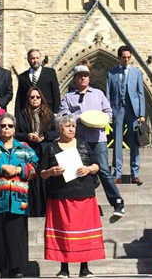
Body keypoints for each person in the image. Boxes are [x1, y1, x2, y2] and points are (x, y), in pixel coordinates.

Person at [40, 113, 104, 278]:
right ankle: (64, 269)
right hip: (60, 196)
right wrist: (51, 172)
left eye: (73, 126)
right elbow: (41, 173)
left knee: (83, 233)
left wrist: (89, 169)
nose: (71, 129)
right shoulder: (50, 148)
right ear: (59, 129)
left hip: (83, 195)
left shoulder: (83, 144)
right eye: (67, 126)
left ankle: (84, 268)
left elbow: (97, 165)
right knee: (64, 233)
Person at [59, 64, 125, 217]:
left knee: (103, 170)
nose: (83, 78)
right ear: (74, 79)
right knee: (76, 170)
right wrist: (79, 119)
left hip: (98, 138)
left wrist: (100, 119)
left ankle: (117, 202)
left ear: (89, 78)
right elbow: (63, 115)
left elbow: (108, 112)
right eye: (80, 75)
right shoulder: (68, 97)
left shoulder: (98, 94)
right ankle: (75, 204)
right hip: (77, 139)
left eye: (86, 75)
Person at [0, 113, 38, 279]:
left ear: (14, 128)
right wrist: (2, 167)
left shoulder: (25, 148)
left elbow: (34, 168)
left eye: (10, 126)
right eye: (3, 126)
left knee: (16, 235)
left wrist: (20, 170)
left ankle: (16, 268)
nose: (6, 128)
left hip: (18, 199)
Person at [15, 86, 59, 217]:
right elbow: (16, 133)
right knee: (32, 180)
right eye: (32, 97)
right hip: (28, 151)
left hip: (44, 150)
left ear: (41, 99)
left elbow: (55, 132)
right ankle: (33, 209)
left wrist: (44, 136)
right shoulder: (22, 114)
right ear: (28, 99)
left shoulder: (48, 113)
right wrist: (27, 136)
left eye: (37, 97)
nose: (35, 99)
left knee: (44, 180)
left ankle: (45, 209)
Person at [106, 45, 146, 185]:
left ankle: (135, 173)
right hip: (118, 110)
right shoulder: (111, 73)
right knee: (117, 142)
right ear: (119, 57)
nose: (127, 60)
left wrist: (142, 113)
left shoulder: (137, 72)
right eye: (124, 58)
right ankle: (117, 173)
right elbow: (108, 94)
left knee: (134, 141)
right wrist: (108, 111)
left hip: (133, 111)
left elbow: (140, 93)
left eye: (129, 58)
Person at [15, 49, 61, 114]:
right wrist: (17, 115)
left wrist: (56, 112)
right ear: (28, 59)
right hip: (28, 113)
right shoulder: (23, 77)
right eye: (33, 58)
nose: (35, 60)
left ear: (40, 58)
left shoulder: (50, 73)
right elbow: (19, 98)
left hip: (47, 111)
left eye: (37, 58)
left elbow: (56, 93)